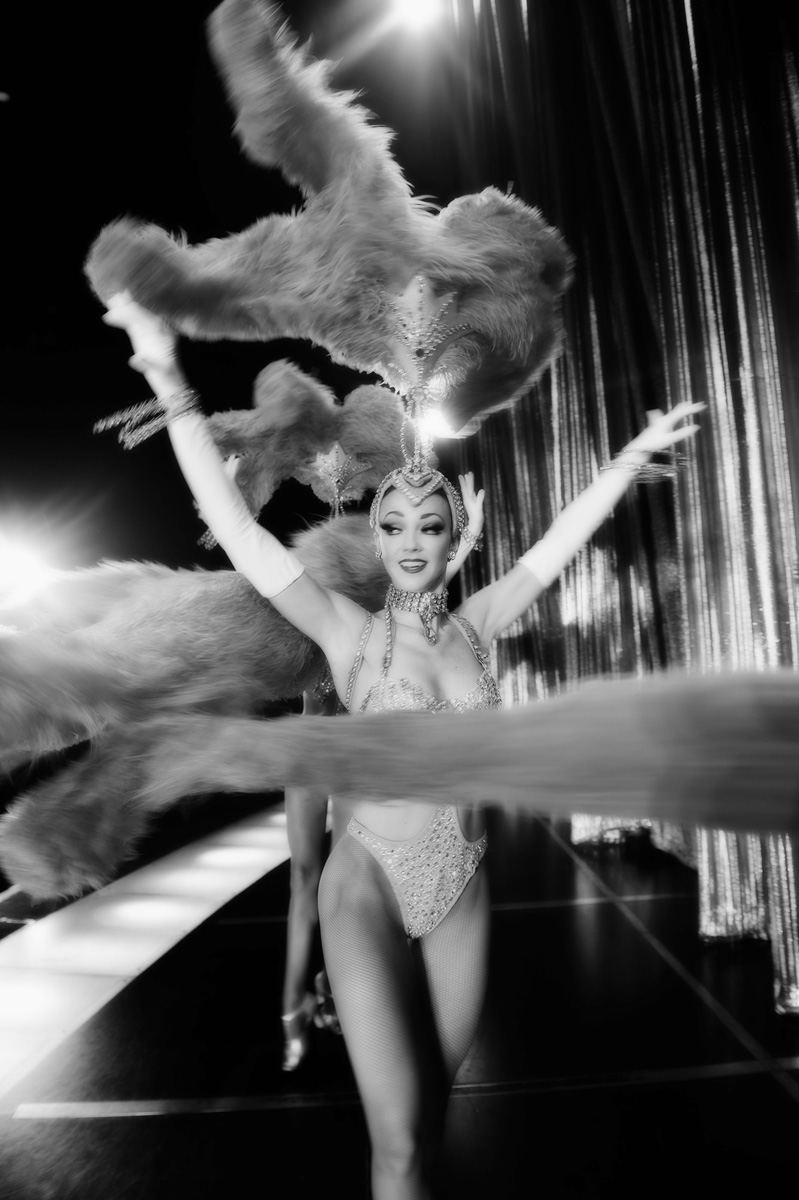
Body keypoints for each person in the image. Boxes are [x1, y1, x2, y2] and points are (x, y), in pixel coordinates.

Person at [103, 287, 702, 1200]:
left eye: (429, 525)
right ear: (376, 543)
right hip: (367, 885)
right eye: (393, 526)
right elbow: (236, 530)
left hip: (462, 888)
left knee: (431, 1124)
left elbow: (555, 546)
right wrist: (166, 377)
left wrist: (623, 464)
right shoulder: (347, 634)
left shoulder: (478, 623)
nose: (411, 541)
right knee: (397, 1148)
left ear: (454, 536)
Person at [281, 484, 485, 1073]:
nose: (407, 544)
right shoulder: (327, 619)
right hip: (315, 751)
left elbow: (426, 592)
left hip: (364, 761)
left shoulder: (386, 619)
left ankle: (339, 983)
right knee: (305, 874)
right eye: (394, 530)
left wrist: (464, 543)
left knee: (351, 875)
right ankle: (296, 1000)